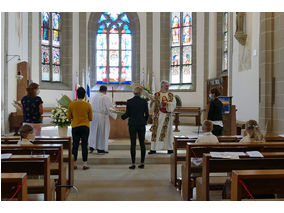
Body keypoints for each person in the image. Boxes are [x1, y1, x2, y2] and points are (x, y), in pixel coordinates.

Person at [121, 87, 149, 169]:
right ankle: (142, 162)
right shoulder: (144, 101)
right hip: (141, 124)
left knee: (133, 143)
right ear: (140, 93)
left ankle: (133, 163)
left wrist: (121, 116)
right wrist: (144, 121)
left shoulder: (129, 101)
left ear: (134, 93)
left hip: (132, 124)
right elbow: (146, 114)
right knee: (142, 143)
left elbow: (128, 113)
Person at [67, 87, 93, 170]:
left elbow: (69, 117)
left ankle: (74, 164)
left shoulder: (72, 104)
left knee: (75, 145)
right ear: (85, 95)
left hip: (75, 126)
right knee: (84, 145)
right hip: (85, 126)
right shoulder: (87, 104)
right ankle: (85, 164)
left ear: (77, 94)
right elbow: (91, 118)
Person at [149, 80, 176, 154]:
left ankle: (169, 148)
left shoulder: (170, 95)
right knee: (156, 131)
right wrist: (151, 101)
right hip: (158, 117)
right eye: (166, 86)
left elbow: (174, 104)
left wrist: (167, 103)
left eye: (168, 86)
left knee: (168, 132)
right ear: (161, 86)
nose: (167, 87)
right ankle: (153, 148)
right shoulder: (156, 94)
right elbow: (151, 107)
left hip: (167, 117)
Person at [89, 85, 113, 154]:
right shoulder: (105, 97)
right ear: (105, 91)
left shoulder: (94, 96)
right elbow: (109, 108)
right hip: (101, 117)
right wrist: (115, 112)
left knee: (93, 132)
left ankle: (91, 147)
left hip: (93, 116)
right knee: (101, 133)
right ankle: (100, 149)